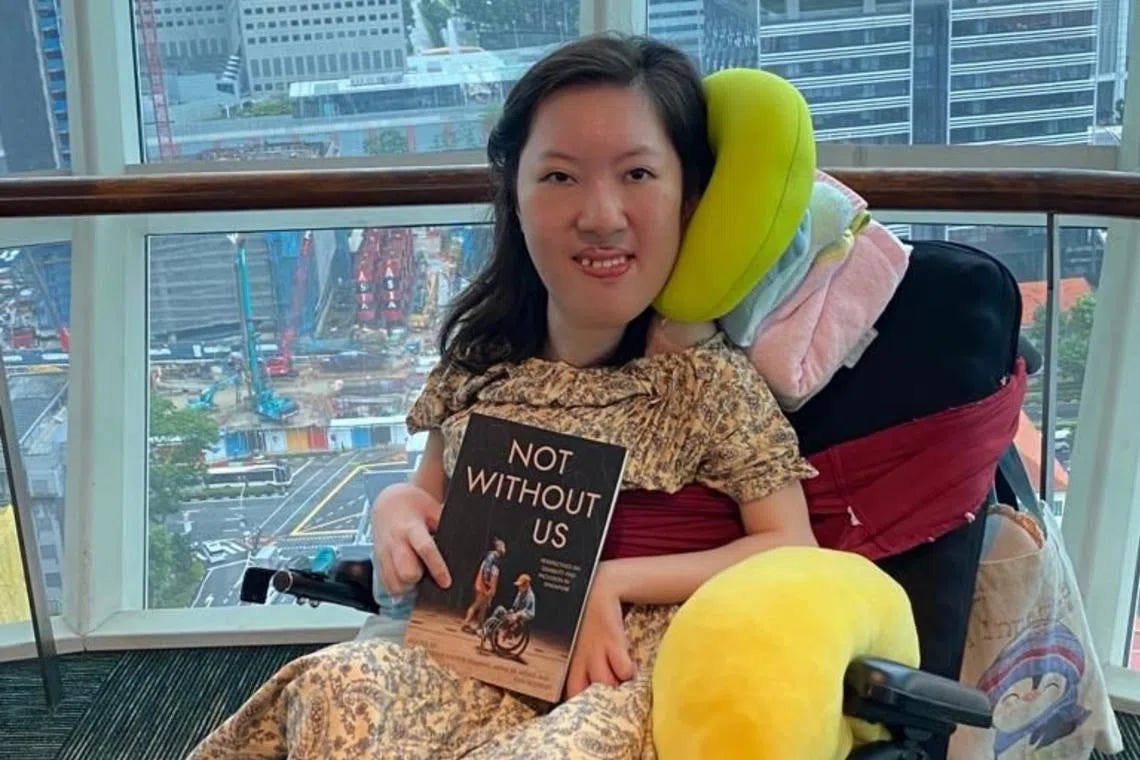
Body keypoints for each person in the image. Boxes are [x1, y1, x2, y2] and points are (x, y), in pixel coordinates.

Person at [188, 32, 818, 760]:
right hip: (471, 660)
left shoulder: (705, 382)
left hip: (618, 678)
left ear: (690, 198)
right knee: (339, 689)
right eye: (559, 178)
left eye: (639, 174)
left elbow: (788, 545)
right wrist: (395, 510)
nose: (602, 214)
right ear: (513, 197)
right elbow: (425, 497)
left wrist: (608, 584)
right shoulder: (482, 364)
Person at [479, 574, 537, 649]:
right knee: (500, 609)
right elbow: (514, 606)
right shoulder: (520, 593)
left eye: (520, 586)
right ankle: (490, 630)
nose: (518, 587)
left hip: (524, 616)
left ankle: (492, 632)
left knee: (514, 616)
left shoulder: (530, 596)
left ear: (526, 586)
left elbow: (528, 612)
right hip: (515, 614)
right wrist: (511, 611)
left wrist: (518, 614)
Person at [462, 538, 506, 633]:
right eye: (502, 546)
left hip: (486, 585)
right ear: (498, 547)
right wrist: (487, 584)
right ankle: (466, 622)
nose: (504, 549)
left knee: (483, 607)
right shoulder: (492, 558)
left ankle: (480, 626)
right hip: (484, 585)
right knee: (477, 604)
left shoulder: (494, 558)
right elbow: (487, 571)